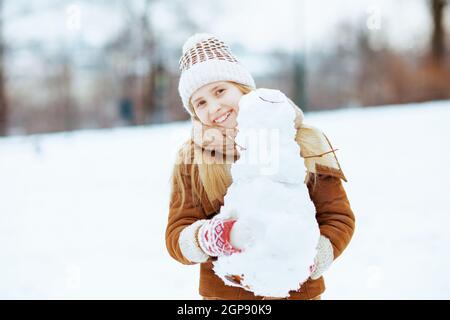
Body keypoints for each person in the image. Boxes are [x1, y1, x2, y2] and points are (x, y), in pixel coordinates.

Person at [165, 33, 355, 300]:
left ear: (243, 88)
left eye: (220, 91)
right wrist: (209, 237)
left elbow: (338, 217)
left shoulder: (304, 140)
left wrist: (305, 261)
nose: (214, 107)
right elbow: (176, 235)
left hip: (298, 294)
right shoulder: (193, 159)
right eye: (201, 103)